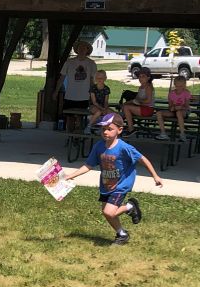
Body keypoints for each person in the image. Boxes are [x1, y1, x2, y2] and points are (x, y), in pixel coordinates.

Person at [62, 112, 163, 246]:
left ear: (119, 130)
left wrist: (155, 176)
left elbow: (143, 159)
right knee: (107, 214)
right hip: (106, 185)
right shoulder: (99, 146)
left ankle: (130, 206)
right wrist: (70, 176)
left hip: (121, 185)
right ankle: (122, 234)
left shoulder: (124, 148)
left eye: (110, 129)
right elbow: (88, 165)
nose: (105, 132)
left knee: (109, 212)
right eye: (103, 129)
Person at [56, 41, 97, 128]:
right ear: (77, 50)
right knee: (69, 118)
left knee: (80, 118)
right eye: (80, 47)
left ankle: (78, 134)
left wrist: (92, 95)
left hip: (84, 96)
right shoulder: (69, 62)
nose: (82, 49)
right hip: (70, 95)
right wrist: (56, 92)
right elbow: (62, 78)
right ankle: (69, 134)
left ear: (87, 50)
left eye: (84, 48)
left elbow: (92, 81)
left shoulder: (91, 63)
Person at [154, 75, 193, 140]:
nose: (179, 88)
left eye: (181, 86)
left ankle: (182, 134)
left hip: (184, 111)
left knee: (178, 113)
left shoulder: (186, 93)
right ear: (175, 85)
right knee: (158, 113)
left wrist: (180, 107)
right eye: (177, 86)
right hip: (174, 111)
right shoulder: (171, 94)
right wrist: (172, 108)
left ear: (184, 85)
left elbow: (186, 106)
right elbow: (170, 106)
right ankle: (163, 133)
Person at [118, 67, 156, 133]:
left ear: (148, 77)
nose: (140, 78)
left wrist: (137, 102)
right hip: (141, 108)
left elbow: (148, 101)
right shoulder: (141, 87)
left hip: (148, 109)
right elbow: (137, 100)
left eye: (143, 76)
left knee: (126, 108)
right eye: (139, 76)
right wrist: (128, 103)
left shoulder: (148, 86)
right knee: (125, 106)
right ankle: (120, 125)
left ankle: (131, 129)